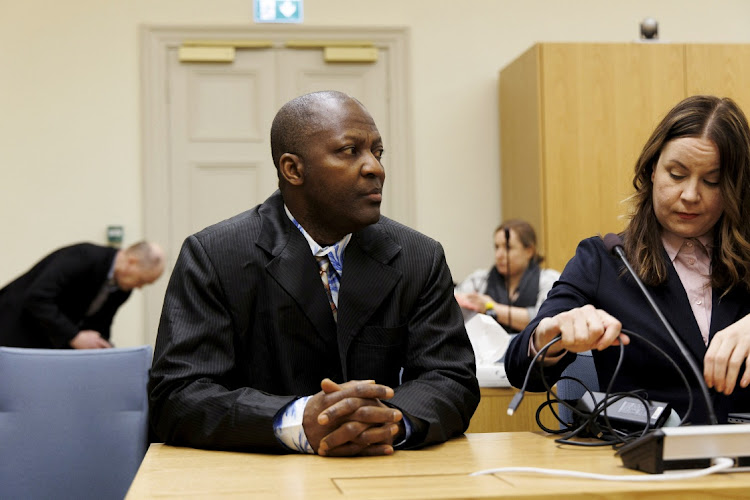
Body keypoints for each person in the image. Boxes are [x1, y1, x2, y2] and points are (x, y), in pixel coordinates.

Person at [148, 90, 480, 457]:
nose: (375, 168)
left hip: (381, 471)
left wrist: (390, 419)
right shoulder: (214, 255)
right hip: (257, 478)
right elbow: (178, 396)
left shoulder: (419, 256)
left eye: (377, 152)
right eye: (350, 151)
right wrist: (297, 420)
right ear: (293, 169)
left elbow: (450, 377)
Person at [504, 95, 750, 425]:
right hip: (644, 461)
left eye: (712, 181)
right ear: (651, 171)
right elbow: (520, 368)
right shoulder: (603, 260)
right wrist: (550, 334)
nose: (691, 195)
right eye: (677, 175)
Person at [0, 241, 165, 349]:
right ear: (131, 262)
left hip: (43, 337)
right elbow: (37, 297)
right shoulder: (84, 257)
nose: (140, 288)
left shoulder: (123, 288)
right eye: (142, 280)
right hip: (12, 325)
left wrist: (102, 346)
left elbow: (99, 324)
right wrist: (74, 336)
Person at [454, 220, 560, 333]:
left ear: (529, 251)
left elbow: (547, 320)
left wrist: (491, 308)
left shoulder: (549, 279)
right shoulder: (479, 279)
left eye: (508, 247)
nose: (499, 255)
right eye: (497, 247)